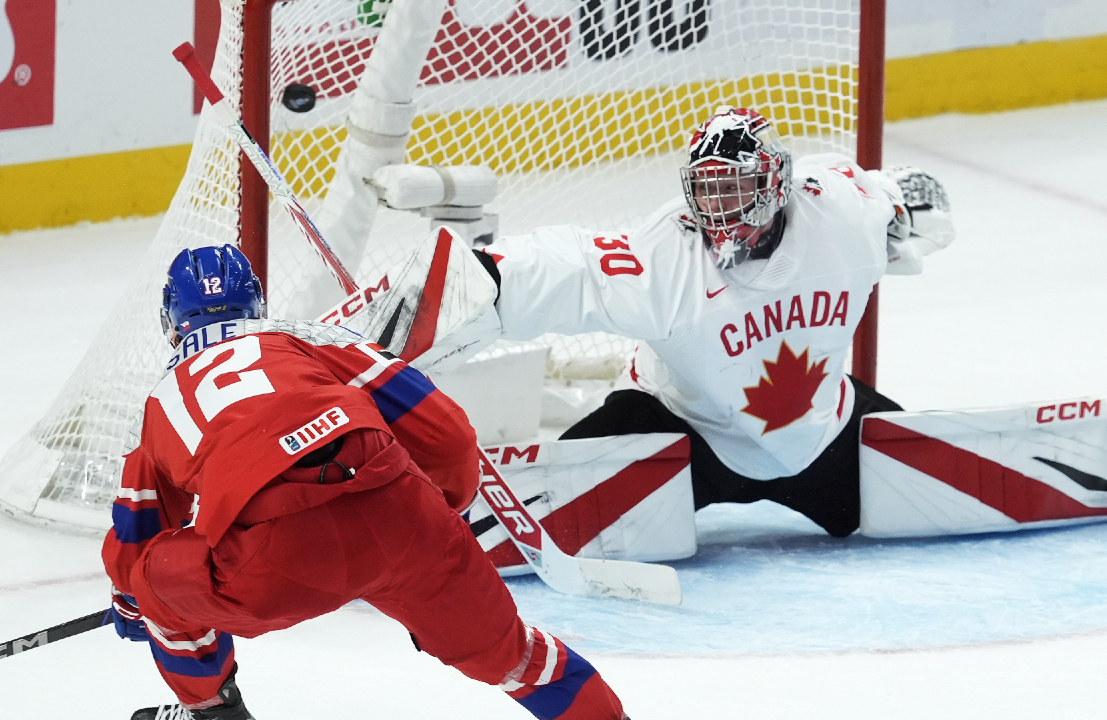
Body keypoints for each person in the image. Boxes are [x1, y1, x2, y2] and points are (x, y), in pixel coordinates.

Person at [102, 245, 629, 720]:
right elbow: (448, 437)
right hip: (405, 517)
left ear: (171, 323)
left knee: (153, 579)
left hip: (279, 562)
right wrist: (443, 523)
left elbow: (133, 547)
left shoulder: (156, 403)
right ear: (256, 305)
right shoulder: (311, 340)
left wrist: (135, 607)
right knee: (519, 659)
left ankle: (212, 712)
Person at [474, 106, 953, 538]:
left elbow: (894, 202)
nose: (719, 207)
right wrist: (480, 278)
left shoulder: (841, 210)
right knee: (566, 488)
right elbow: (567, 268)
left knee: (938, 498)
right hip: (679, 436)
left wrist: (908, 209)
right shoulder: (663, 255)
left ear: (774, 182)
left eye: (735, 187)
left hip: (820, 436)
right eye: (708, 190)